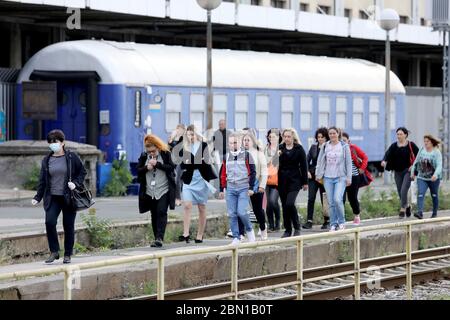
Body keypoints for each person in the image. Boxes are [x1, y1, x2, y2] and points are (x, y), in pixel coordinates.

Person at [32, 129, 87, 264]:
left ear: (62, 143)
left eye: (55, 141)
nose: (52, 144)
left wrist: (75, 183)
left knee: (68, 226)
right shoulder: (47, 160)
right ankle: (54, 251)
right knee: (49, 222)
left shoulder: (71, 157)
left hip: (68, 197)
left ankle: (67, 254)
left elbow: (82, 172)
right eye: (50, 142)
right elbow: (42, 181)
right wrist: (38, 197)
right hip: (52, 197)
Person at [179, 125, 217, 243]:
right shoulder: (184, 147)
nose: (190, 136)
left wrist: (194, 162)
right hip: (189, 180)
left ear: (196, 134)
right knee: (187, 205)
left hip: (201, 179)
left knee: (202, 207)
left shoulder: (204, 145)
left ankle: (200, 235)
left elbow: (206, 162)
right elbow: (183, 164)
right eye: (188, 134)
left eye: (192, 134)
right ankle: (185, 233)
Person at [137, 134, 176, 248]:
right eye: (149, 152)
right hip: (150, 190)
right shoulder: (144, 156)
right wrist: (146, 168)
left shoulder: (165, 154)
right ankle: (156, 238)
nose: (151, 154)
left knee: (161, 211)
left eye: (153, 151)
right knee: (154, 214)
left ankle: (160, 237)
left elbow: (171, 167)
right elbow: (138, 171)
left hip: (163, 189)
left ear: (158, 147)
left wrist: (158, 165)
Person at [218, 133, 256, 245]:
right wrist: (221, 189)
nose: (233, 145)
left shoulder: (247, 155)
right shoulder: (226, 157)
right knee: (232, 213)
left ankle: (249, 230)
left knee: (242, 212)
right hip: (231, 188)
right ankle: (236, 237)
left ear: (240, 143)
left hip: (243, 188)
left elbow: (253, 172)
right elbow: (223, 173)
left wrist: (251, 187)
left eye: (235, 142)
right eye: (231, 143)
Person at [315, 127, 352, 232]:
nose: (332, 135)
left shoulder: (344, 146)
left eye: (334, 133)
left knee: (337, 199)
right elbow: (320, 161)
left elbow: (348, 163)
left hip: (340, 177)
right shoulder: (325, 146)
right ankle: (333, 223)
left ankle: (341, 222)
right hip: (327, 177)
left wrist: (349, 178)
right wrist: (318, 174)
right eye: (330, 133)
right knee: (331, 202)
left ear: (338, 134)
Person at [381, 127, 419, 219]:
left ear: (405, 135)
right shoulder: (394, 146)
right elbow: (387, 154)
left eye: (401, 134)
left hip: (408, 171)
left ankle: (402, 209)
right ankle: (408, 206)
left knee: (403, 190)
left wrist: (413, 166)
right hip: (397, 171)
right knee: (399, 191)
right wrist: (384, 161)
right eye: (397, 134)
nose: (399, 136)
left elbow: (419, 155)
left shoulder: (411, 145)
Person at [278, 128, 308, 238]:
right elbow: (273, 163)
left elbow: (304, 166)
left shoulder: (299, 149)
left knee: (290, 203)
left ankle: (297, 227)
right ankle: (287, 229)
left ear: (293, 137)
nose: (286, 138)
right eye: (285, 136)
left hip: (295, 180)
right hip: (282, 180)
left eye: (288, 136)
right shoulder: (280, 148)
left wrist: (305, 182)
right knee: (285, 206)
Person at [302, 127, 330, 230]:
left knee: (324, 199)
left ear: (326, 137)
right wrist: (307, 171)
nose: (320, 139)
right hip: (313, 177)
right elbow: (306, 160)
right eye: (318, 137)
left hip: (324, 177)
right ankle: (309, 221)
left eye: (322, 137)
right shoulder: (313, 147)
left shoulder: (329, 148)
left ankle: (327, 220)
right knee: (311, 198)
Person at [242, 132, 268, 240]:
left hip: (256, 184)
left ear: (253, 141)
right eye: (244, 140)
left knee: (257, 210)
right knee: (242, 209)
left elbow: (264, 171)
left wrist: (262, 186)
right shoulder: (241, 154)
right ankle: (241, 233)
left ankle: (263, 228)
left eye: (248, 140)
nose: (246, 142)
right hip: (242, 184)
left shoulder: (259, 154)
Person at [411, 134, 443, 219]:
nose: (425, 143)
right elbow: (416, 161)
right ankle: (420, 213)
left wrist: (436, 175)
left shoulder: (436, 152)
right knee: (420, 194)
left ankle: (434, 213)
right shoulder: (422, 150)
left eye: (427, 141)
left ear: (432, 142)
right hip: (422, 177)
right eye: (424, 141)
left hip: (433, 179)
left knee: (434, 195)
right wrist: (412, 172)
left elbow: (439, 165)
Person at [341, 132, 369, 226]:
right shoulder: (337, 149)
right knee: (341, 198)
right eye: (341, 140)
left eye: (344, 140)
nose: (343, 142)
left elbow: (365, 157)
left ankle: (357, 215)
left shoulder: (353, 148)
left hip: (354, 177)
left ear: (348, 141)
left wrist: (362, 168)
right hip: (341, 177)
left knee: (352, 198)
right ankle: (341, 218)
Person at [264, 128, 282, 232]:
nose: (271, 138)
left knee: (273, 201)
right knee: (267, 203)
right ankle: (271, 225)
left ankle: (278, 221)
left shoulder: (282, 148)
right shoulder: (266, 149)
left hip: (278, 179)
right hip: (266, 178)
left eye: (274, 137)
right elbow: (263, 162)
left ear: (278, 137)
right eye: (270, 137)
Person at [168, 124, 185, 207]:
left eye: (181, 129)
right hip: (173, 161)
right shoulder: (172, 138)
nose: (179, 131)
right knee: (174, 180)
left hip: (181, 162)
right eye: (178, 129)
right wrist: (171, 138)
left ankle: (178, 198)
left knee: (178, 180)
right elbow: (168, 148)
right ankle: (174, 198)